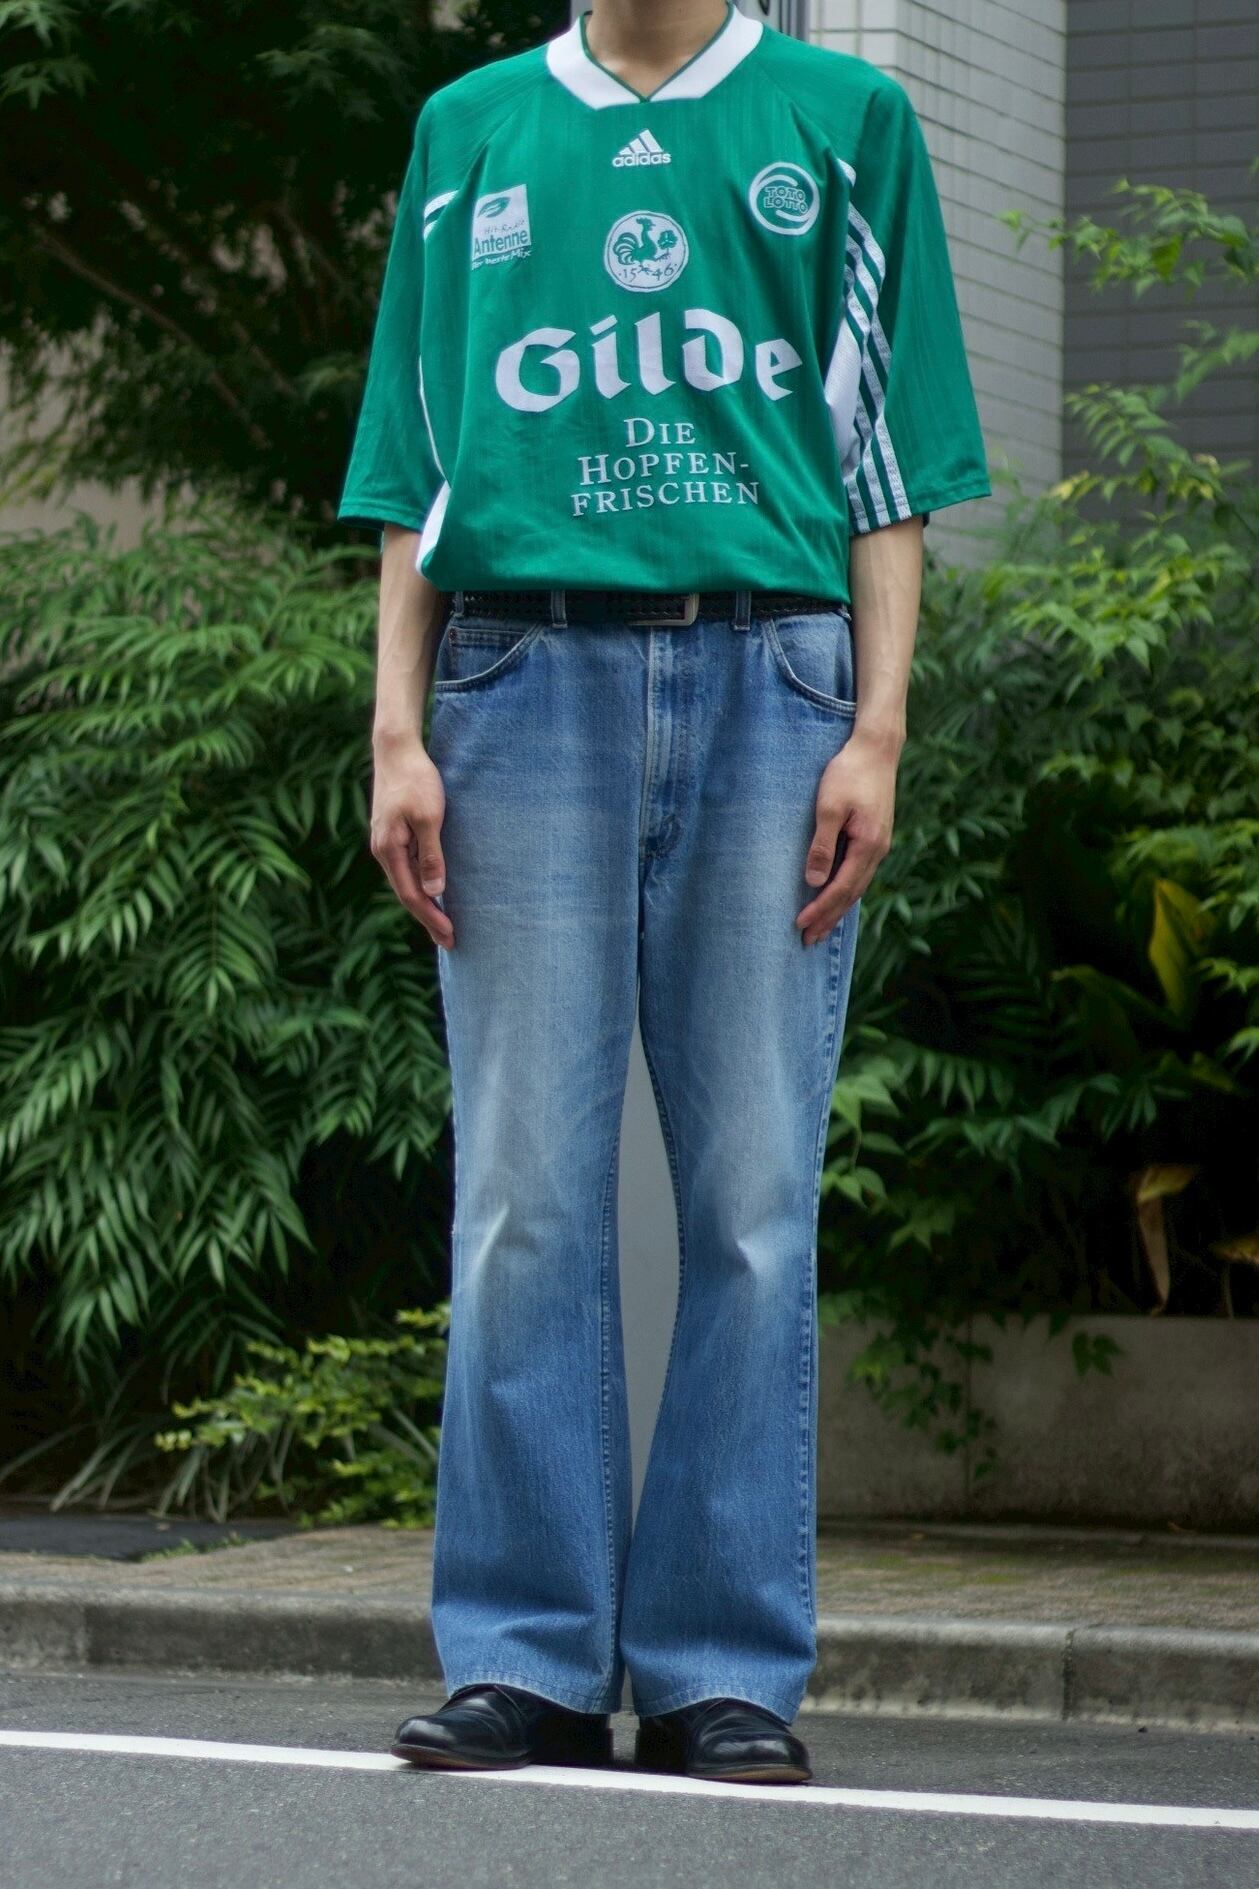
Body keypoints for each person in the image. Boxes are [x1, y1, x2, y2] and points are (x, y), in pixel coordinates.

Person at [337, 0, 990, 1786]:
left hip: (772, 683)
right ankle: (525, 1655)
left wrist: (878, 727)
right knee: (523, 1199)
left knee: (756, 1196)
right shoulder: (471, 126)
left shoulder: (843, 121)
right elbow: (414, 460)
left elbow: (888, 461)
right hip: (517, 677)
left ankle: (719, 1665)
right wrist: (397, 727)